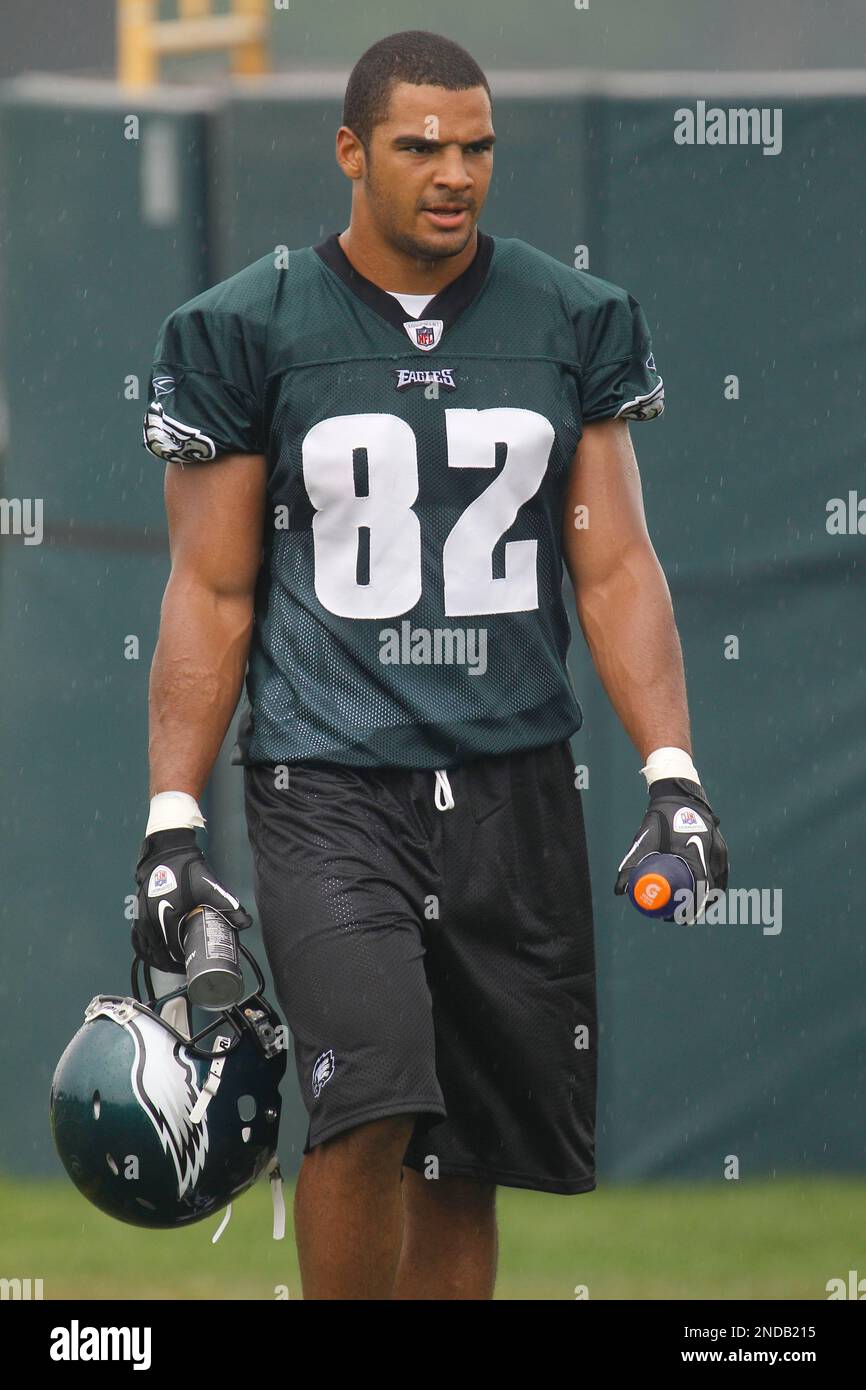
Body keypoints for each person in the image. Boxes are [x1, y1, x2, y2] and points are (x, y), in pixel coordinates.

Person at [133, 29, 728, 1300]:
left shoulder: (572, 318)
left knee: (467, 1145)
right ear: (351, 151)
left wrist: (671, 772)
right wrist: (171, 820)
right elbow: (214, 587)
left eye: (475, 147)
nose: (453, 172)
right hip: (330, 784)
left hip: (512, 782)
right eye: (419, 145)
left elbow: (614, 565)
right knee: (370, 1094)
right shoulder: (246, 325)